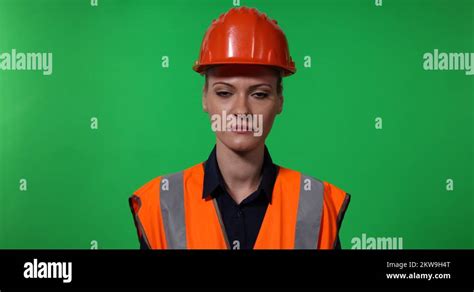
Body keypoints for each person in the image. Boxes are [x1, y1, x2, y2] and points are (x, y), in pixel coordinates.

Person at [129, 6, 351, 249]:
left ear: (280, 101)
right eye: (224, 92)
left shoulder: (316, 204)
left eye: (259, 94)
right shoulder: (160, 204)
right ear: (204, 98)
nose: (241, 111)